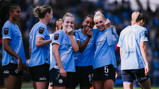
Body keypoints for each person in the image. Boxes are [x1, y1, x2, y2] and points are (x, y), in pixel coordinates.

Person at [117, 11, 151, 89]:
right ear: (141, 21)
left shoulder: (123, 31)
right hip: (138, 65)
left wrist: (123, 63)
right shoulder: (142, 30)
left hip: (125, 66)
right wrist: (146, 63)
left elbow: (121, 49)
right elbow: (142, 46)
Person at [49, 12, 79, 89]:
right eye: (67, 22)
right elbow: (55, 51)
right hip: (59, 69)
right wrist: (61, 68)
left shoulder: (73, 36)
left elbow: (76, 49)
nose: (69, 24)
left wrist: (70, 35)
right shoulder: (58, 34)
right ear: (62, 23)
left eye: (71, 23)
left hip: (71, 70)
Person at [1, 4, 26, 89]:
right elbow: (5, 46)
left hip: (18, 63)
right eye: (17, 12)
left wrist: (23, 61)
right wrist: (18, 57)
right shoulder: (7, 26)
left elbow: (19, 47)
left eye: (20, 12)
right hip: (10, 63)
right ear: (11, 13)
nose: (20, 14)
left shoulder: (16, 26)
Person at [29, 5, 53, 89]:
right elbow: (38, 43)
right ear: (47, 14)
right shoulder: (42, 26)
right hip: (41, 64)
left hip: (33, 63)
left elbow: (30, 47)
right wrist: (52, 39)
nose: (52, 16)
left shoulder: (34, 27)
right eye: (51, 13)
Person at [93, 10, 118, 89]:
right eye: (96, 23)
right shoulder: (96, 34)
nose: (99, 24)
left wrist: (108, 28)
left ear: (105, 20)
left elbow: (110, 43)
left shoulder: (111, 30)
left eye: (101, 22)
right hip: (95, 66)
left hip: (108, 64)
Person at [73, 15, 98, 89]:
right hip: (75, 66)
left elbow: (104, 28)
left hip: (88, 67)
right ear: (82, 23)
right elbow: (80, 49)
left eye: (91, 23)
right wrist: (88, 37)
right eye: (87, 22)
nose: (89, 25)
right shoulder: (76, 33)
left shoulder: (95, 33)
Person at [48, 19, 63, 89]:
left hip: (53, 67)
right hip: (56, 66)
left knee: (51, 85)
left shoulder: (50, 37)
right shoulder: (52, 36)